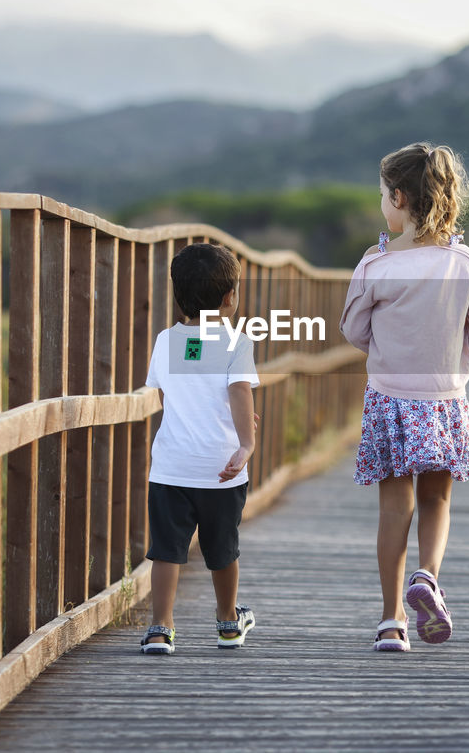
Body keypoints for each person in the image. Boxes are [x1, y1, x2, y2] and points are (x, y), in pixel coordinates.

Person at [339, 142, 469, 652]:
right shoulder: (464, 261)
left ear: (400, 198)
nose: (381, 202)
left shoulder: (377, 264)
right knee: (436, 498)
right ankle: (427, 576)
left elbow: (353, 330)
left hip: (390, 399)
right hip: (444, 399)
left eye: (383, 194)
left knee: (394, 509)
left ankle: (391, 622)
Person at [139, 242, 258, 655]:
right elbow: (239, 393)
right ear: (230, 298)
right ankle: (227, 621)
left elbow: (163, 395)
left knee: (167, 551)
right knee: (222, 549)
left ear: (178, 296)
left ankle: (160, 628)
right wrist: (246, 443)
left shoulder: (166, 341)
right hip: (221, 467)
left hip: (171, 467)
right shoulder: (236, 343)